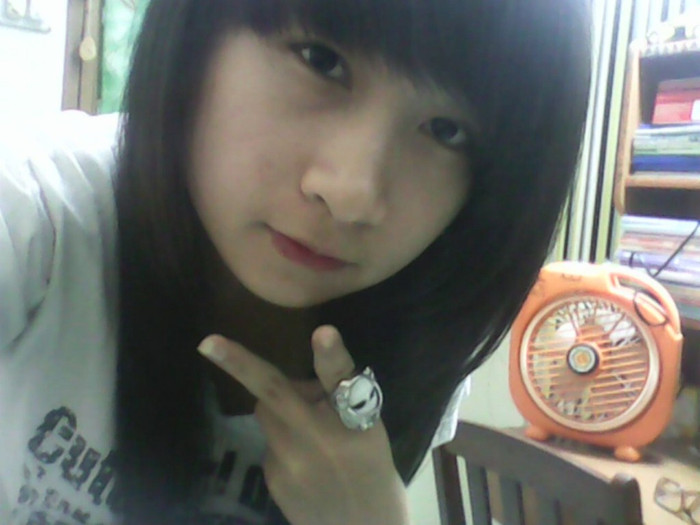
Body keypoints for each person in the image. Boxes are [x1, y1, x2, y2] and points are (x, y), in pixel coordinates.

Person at [0, 0, 592, 524]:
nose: (352, 194)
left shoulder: (424, 330)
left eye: (446, 130)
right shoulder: (42, 214)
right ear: (198, 33)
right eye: (321, 60)